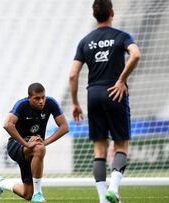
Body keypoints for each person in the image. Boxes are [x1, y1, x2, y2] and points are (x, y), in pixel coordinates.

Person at [69, 1, 141, 203]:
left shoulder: (85, 41)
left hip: (93, 94)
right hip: (115, 92)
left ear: (94, 14)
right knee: (121, 145)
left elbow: (73, 75)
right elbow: (136, 54)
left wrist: (75, 103)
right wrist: (121, 80)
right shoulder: (121, 36)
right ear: (112, 13)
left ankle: (103, 199)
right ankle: (114, 189)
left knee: (99, 150)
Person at [0, 83, 69, 202]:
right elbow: (7, 124)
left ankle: (2, 183)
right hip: (16, 145)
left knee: (27, 194)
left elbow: (64, 127)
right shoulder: (22, 104)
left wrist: (45, 142)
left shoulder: (51, 103)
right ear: (29, 98)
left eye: (43, 97)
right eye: (37, 98)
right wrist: (26, 143)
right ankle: (38, 194)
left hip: (33, 149)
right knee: (39, 148)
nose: (41, 101)